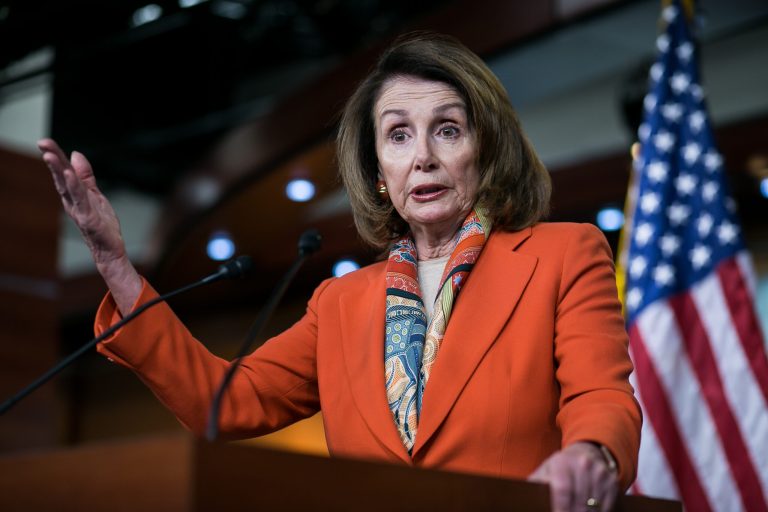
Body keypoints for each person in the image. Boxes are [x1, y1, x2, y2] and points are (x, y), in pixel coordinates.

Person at [39, 32, 641, 512]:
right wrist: (115, 264)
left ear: (485, 152)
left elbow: (602, 392)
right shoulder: (340, 303)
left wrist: (590, 455)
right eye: (398, 135)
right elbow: (222, 403)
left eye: (448, 130)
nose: (424, 156)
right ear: (380, 170)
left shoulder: (563, 254)